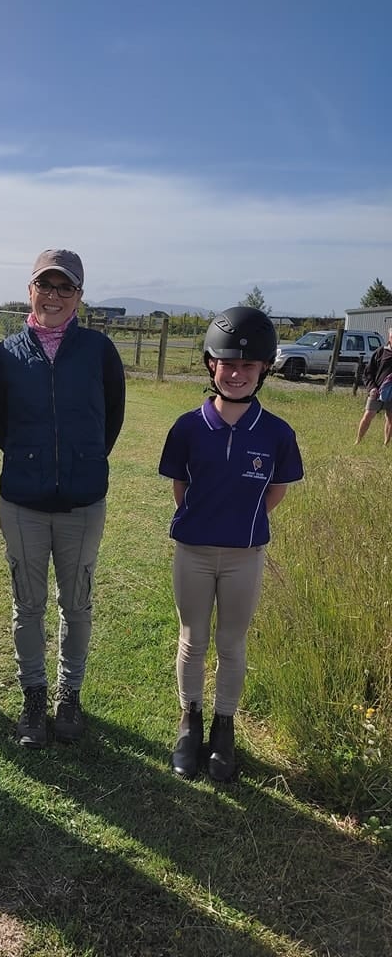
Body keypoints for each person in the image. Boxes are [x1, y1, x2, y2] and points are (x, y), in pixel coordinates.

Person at [0, 249, 126, 747]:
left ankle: (70, 694)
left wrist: (82, 461)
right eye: (45, 285)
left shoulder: (98, 351)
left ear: (79, 297)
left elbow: (111, 417)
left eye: (65, 287)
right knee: (28, 604)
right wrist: (31, 459)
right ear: (30, 291)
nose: (54, 296)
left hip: (82, 502)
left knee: (77, 602)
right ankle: (34, 695)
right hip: (23, 501)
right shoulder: (6, 353)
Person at [158, 307, 304, 782]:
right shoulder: (187, 427)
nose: (236, 374)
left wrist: (242, 521)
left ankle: (224, 726)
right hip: (194, 552)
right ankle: (190, 720)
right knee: (193, 638)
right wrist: (207, 520)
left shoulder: (277, 433)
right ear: (210, 365)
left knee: (231, 642)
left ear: (264, 369)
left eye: (247, 366)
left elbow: (275, 491)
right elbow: (181, 487)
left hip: (244, 555)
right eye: (227, 364)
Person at [355, 327, 392, 445]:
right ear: (389, 337)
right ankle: (358, 441)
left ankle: (386, 444)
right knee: (368, 415)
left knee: (390, 418)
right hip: (377, 391)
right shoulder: (381, 352)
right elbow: (367, 373)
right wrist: (372, 388)